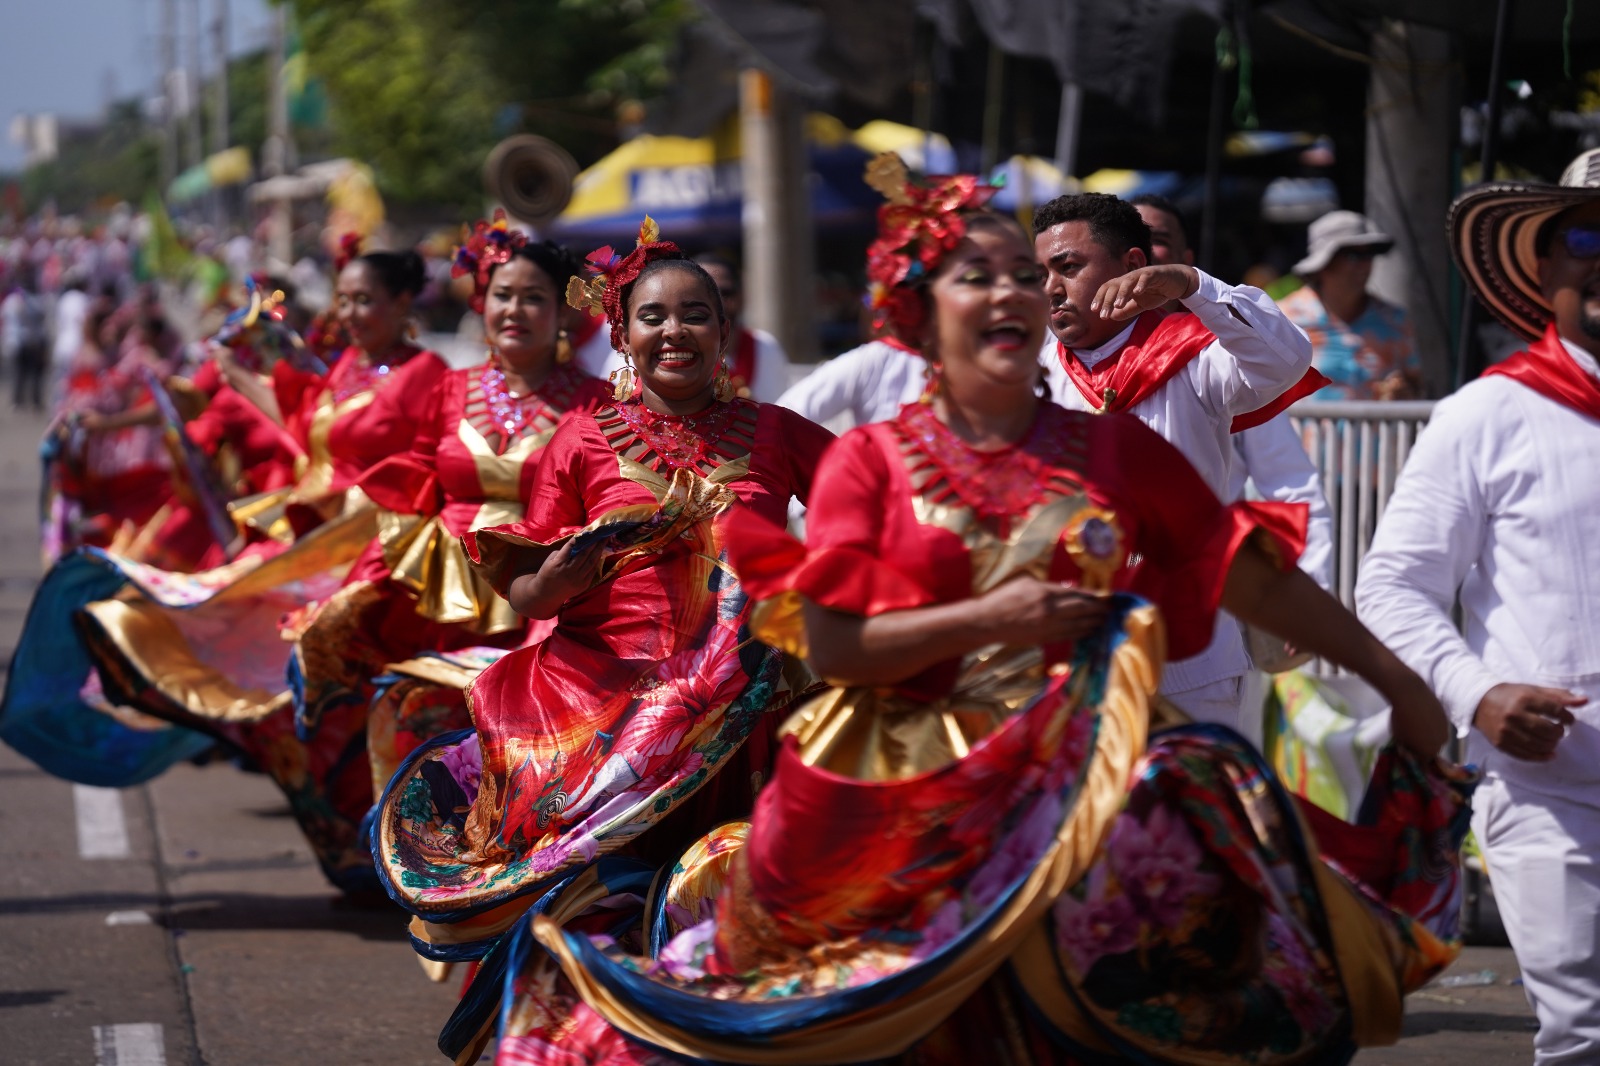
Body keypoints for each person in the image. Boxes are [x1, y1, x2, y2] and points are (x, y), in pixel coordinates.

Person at [494, 158, 1465, 1065]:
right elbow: (835, 645)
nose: (1010, 293)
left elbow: (1248, 577)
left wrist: (1396, 681)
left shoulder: (1110, 450)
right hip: (914, 785)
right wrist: (987, 622)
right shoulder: (871, 463)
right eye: (976, 276)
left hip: (1089, 768)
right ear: (916, 313)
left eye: (1023, 277)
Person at [368, 220, 832, 1052]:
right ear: (622, 336)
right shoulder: (582, 440)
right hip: (608, 717)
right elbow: (524, 584)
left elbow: (869, 516)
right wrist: (563, 575)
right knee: (600, 894)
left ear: (724, 330)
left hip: (744, 709)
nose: (674, 331)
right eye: (653, 316)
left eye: (696, 314)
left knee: (727, 893)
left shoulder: (778, 432)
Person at [0, 251, 449, 892]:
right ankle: (363, 842)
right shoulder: (349, 366)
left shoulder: (429, 374)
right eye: (344, 299)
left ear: (404, 303)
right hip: (315, 541)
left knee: (346, 700)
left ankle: (389, 845)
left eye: (365, 300)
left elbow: (431, 467)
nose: (351, 313)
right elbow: (301, 425)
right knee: (240, 641)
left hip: (379, 557)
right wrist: (238, 376)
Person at [1356, 148, 1600, 1065]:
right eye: (1587, 239)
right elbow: (1392, 585)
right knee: (1585, 1036)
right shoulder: (1487, 414)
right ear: (1544, 266)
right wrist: (1479, 692)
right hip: (1551, 787)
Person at [290, 216, 610, 787]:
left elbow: (606, 505)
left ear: (564, 313)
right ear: (482, 304)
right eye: (502, 296)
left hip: (545, 600)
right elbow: (416, 487)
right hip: (444, 600)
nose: (514, 310)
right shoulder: (451, 388)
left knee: (521, 753)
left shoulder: (597, 403)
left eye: (534, 298)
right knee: (425, 741)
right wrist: (359, 580)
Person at [1036, 191, 1327, 728]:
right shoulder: (1031, 377)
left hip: (1190, 658)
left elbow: (1285, 358)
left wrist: (1194, 285)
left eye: (1069, 267)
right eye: (1042, 273)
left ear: (1133, 264)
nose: (1052, 287)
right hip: (1070, 660)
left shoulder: (1196, 355)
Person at [1278, 210, 1421, 401]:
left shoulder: (1396, 321)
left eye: (1369, 255)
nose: (1365, 265)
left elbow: (1416, 386)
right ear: (1324, 264)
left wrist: (1404, 393)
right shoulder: (1284, 319)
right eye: (1353, 255)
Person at [692, 254, 792, 402]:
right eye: (705, 293)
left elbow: (782, 408)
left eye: (725, 293)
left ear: (741, 296)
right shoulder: (677, 353)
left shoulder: (765, 346)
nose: (717, 303)